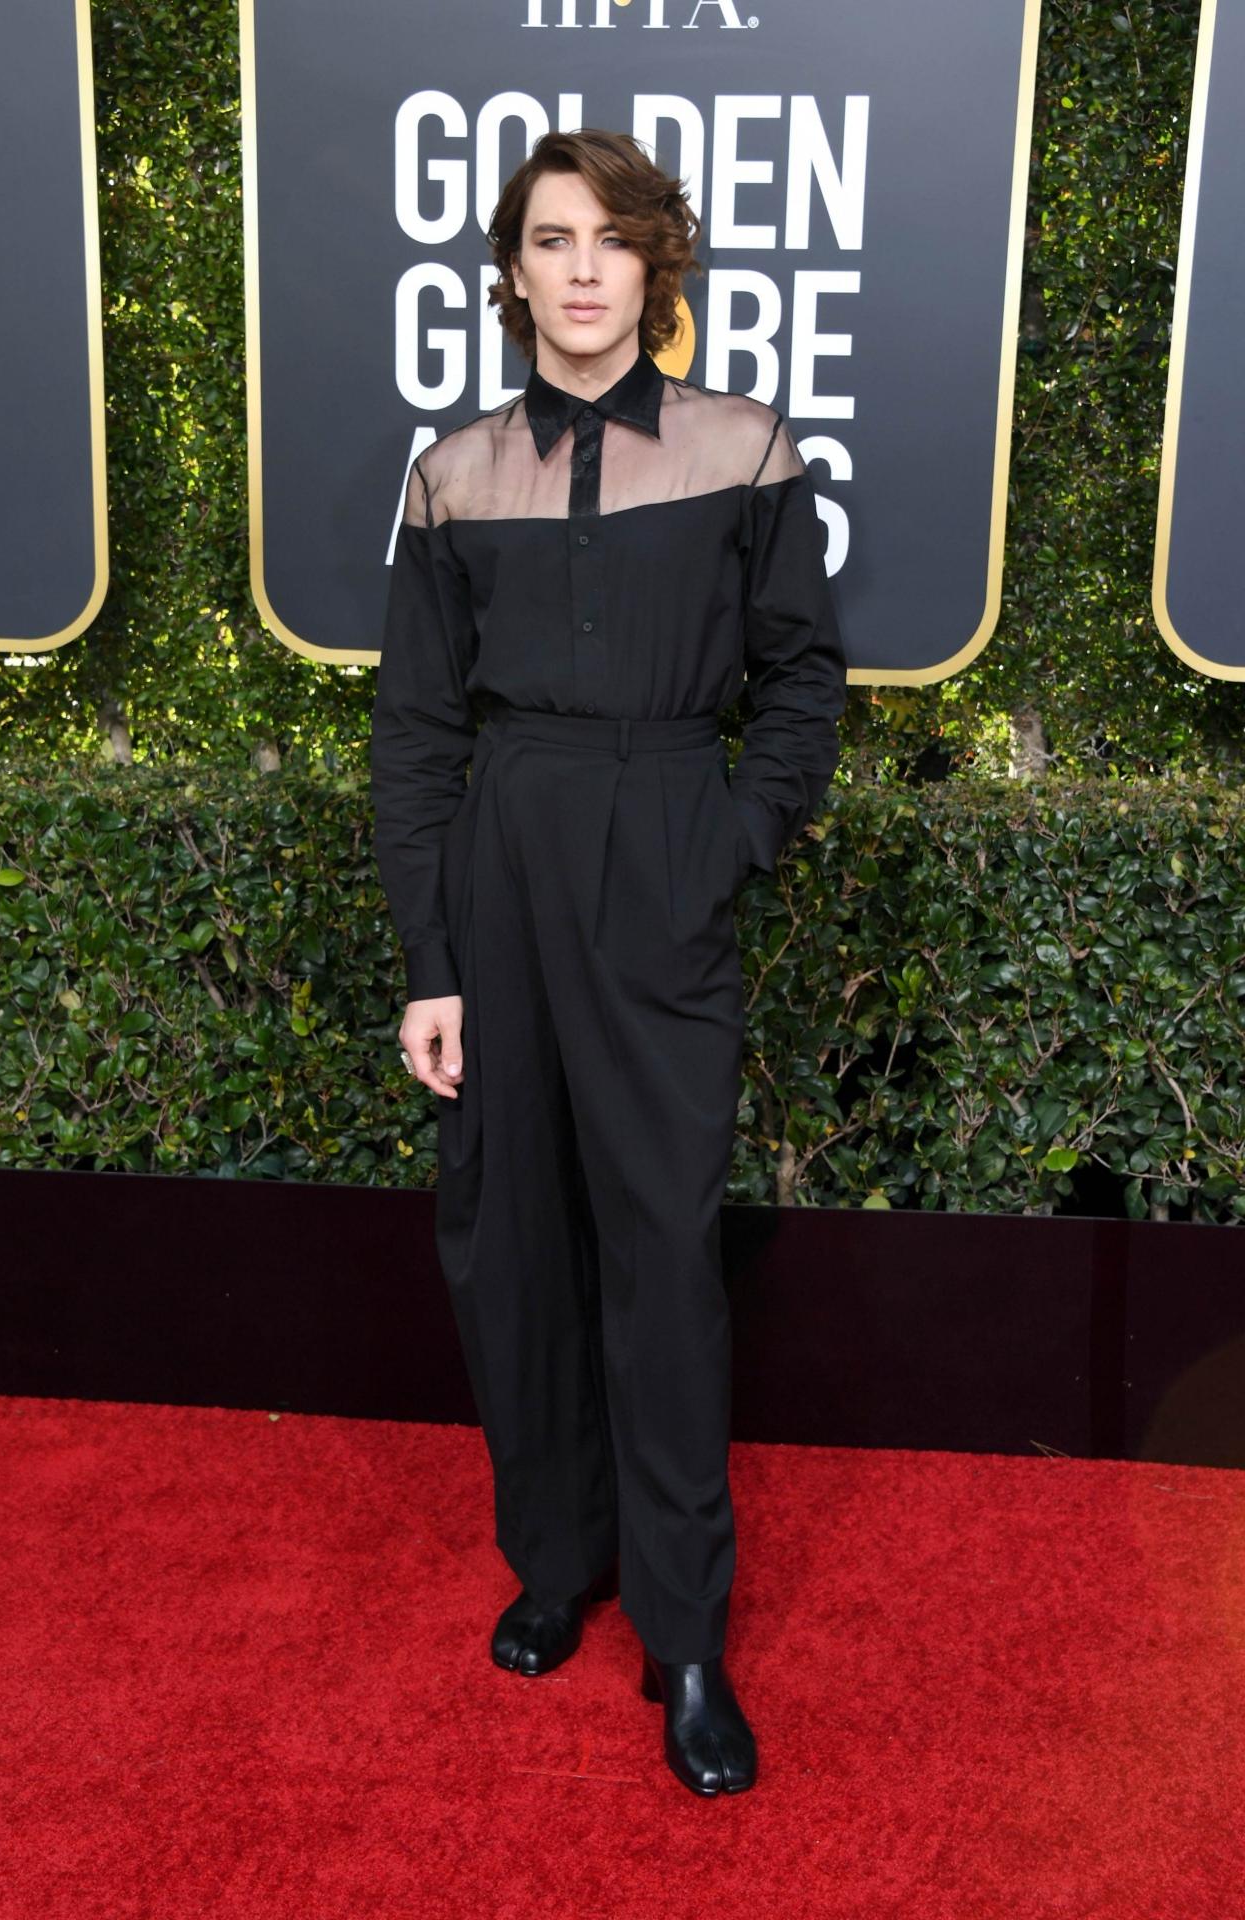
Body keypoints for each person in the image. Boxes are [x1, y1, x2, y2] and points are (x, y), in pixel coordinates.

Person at [370, 127, 847, 1798]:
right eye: (552, 239)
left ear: (656, 265)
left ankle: (687, 1631)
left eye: (613, 238)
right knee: (509, 1240)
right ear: (514, 273)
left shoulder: (744, 447)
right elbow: (416, 735)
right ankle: (554, 1560)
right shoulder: (453, 474)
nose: (583, 268)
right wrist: (433, 960)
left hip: (663, 849)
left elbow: (801, 684)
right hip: (500, 852)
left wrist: (724, 843)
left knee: (659, 1249)